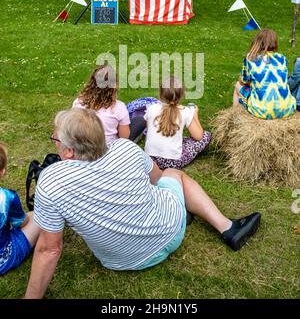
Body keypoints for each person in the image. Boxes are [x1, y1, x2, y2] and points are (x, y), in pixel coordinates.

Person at [24, 108, 261, 299]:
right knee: (173, 174)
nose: (53, 142)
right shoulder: (125, 148)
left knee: (170, 176)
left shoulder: (51, 181)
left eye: (54, 139)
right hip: (170, 231)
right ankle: (228, 227)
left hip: (121, 261)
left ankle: (193, 215)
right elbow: (158, 179)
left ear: (67, 151)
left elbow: (50, 248)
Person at [144, 76, 211, 169]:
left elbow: (148, 127)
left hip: (150, 160)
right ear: (182, 95)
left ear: (160, 94)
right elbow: (199, 136)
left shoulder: (152, 108)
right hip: (173, 161)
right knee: (206, 136)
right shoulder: (185, 111)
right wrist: (195, 115)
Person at [73, 64, 145, 143]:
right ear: (113, 86)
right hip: (108, 151)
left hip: (82, 147)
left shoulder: (78, 102)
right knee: (140, 120)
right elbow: (124, 137)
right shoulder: (119, 107)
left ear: (92, 82)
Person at [233, 28, 296, 119]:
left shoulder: (251, 58)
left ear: (257, 42)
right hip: (287, 109)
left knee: (237, 85)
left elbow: (243, 81)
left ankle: (234, 117)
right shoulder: (282, 58)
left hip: (261, 111)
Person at [0, 143, 40, 276]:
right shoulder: (7, 197)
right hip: (3, 258)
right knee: (39, 216)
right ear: (2, 172)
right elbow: (22, 223)